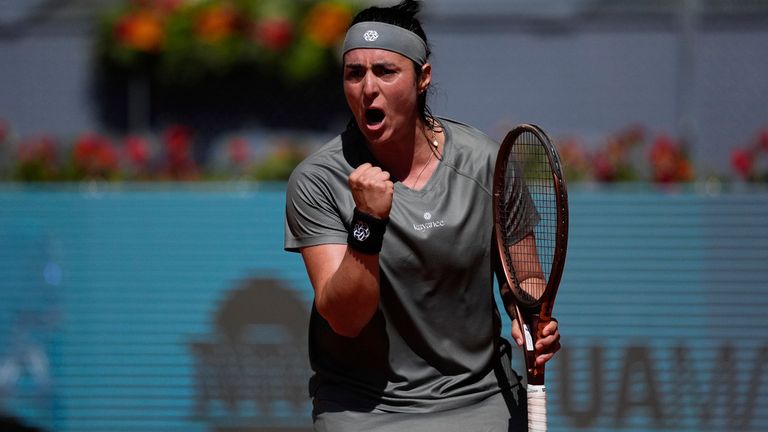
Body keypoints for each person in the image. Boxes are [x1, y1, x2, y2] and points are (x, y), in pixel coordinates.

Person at [284, 1, 560, 430]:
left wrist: (533, 320)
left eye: (385, 71)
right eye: (354, 73)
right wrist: (367, 223)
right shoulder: (317, 180)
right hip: (362, 407)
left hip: (478, 396)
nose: (367, 88)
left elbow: (523, 281)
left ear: (423, 78)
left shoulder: (486, 162)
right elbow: (345, 318)